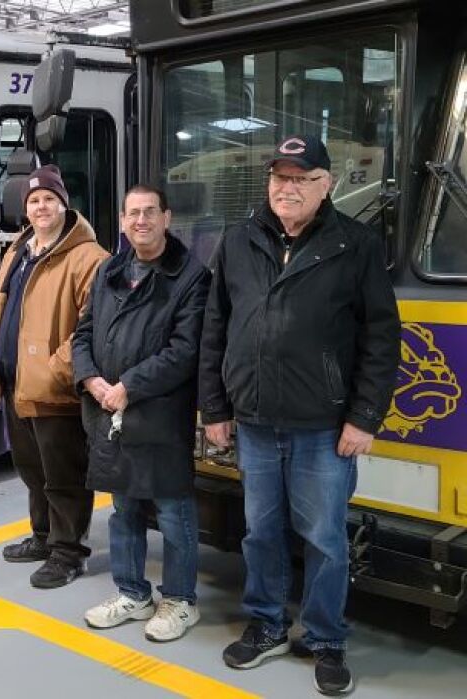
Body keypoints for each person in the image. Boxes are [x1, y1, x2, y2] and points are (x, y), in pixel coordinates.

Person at [199, 135, 400, 695]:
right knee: (259, 533)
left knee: (325, 539)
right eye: (279, 177)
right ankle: (265, 625)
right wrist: (215, 407)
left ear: (326, 184)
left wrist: (365, 417)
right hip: (256, 423)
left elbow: (382, 338)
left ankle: (326, 638)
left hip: (324, 428)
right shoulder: (238, 241)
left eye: (301, 178)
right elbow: (215, 328)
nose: (287, 188)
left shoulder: (354, 244)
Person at [74, 184, 210, 641]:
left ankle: (180, 601)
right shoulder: (110, 270)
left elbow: (184, 350)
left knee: (173, 512)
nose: (141, 221)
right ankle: (133, 593)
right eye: (133, 213)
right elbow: (83, 332)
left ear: (167, 218)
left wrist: (129, 387)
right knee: (123, 509)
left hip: (160, 416)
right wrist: (90, 379)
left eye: (150, 212)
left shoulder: (190, 276)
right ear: (121, 219)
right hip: (108, 412)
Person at [0, 164, 108, 588]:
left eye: (49, 199)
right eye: (33, 201)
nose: (40, 207)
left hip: (54, 389)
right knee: (33, 470)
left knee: (63, 475)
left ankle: (69, 553)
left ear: (64, 205)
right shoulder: (19, 251)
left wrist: (56, 370)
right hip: (14, 382)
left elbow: (96, 325)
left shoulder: (89, 257)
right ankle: (42, 536)